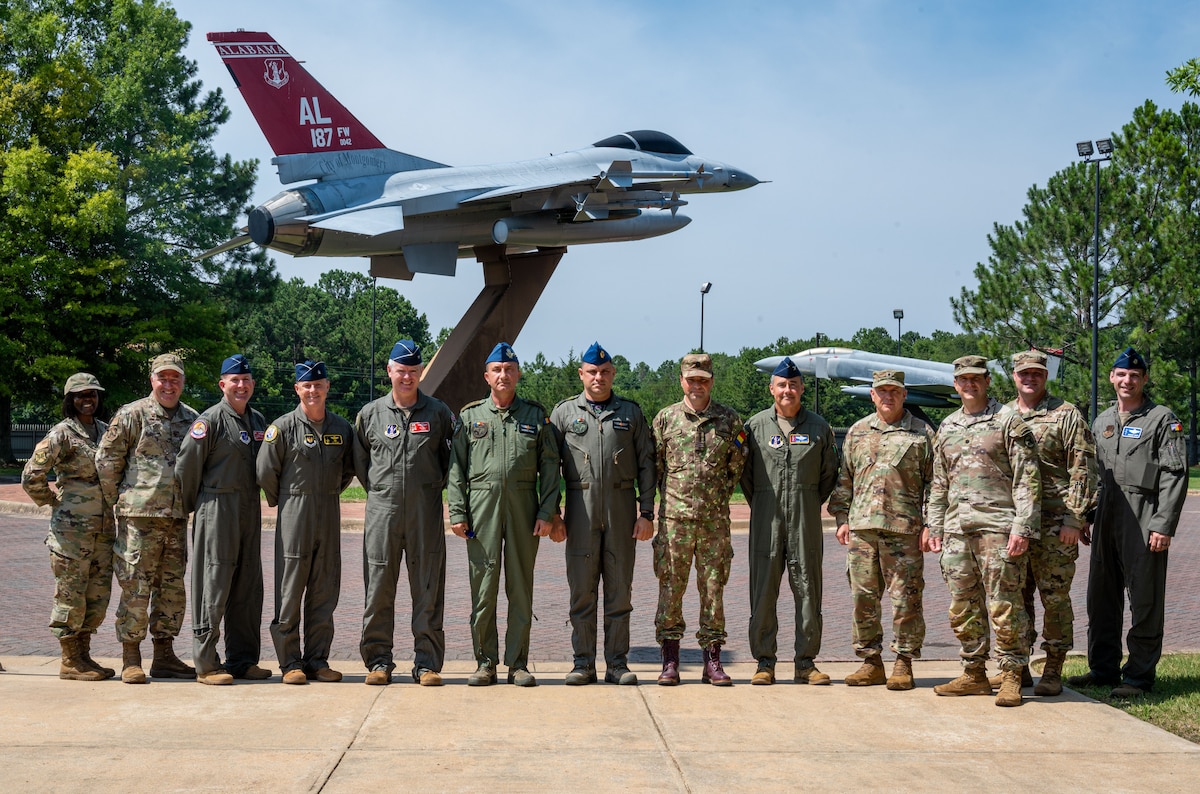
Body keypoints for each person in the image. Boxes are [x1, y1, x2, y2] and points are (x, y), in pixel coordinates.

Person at [1066, 347, 1187, 698]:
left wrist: (1163, 524)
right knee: (1101, 598)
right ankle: (1102, 669)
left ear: (1144, 379)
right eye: (1121, 374)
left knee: (1145, 599)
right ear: (1111, 378)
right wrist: (1087, 515)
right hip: (1106, 517)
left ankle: (1138, 676)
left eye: (1134, 375)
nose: (1127, 380)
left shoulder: (1163, 419)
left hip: (1144, 515)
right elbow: (1092, 475)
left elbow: (1174, 474)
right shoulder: (1102, 421)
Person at [927, 355, 1040, 707]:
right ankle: (974, 672)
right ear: (956, 384)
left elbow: (1027, 478)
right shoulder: (947, 427)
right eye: (963, 379)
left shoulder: (1009, 421)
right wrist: (934, 524)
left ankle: (1010, 674)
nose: (969, 384)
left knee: (1004, 605)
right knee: (962, 605)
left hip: (998, 528)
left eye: (976, 379)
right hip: (957, 530)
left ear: (987, 381)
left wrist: (1022, 526)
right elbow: (939, 482)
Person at [448, 342, 560, 687]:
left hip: (524, 508)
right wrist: (457, 510)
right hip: (481, 509)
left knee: (520, 588)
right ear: (487, 376)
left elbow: (550, 466)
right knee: (483, 588)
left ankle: (517, 664)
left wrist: (547, 511)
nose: (503, 375)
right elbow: (456, 468)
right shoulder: (469, 417)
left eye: (509, 369)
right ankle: (485, 662)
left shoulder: (534, 417)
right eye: (497, 370)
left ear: (518, 374)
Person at [549, 342, 656, 686]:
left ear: (613, 374)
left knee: (619, 591)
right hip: (580, 509)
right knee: (582, 590)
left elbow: (646, 464)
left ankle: (617, 664)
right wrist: (553, 513)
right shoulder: (564, 414)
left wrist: (647, 512)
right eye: (592, 372)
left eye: (605, 372)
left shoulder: (630, 413)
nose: (599, 377)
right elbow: (549, 467)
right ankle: (583, 663)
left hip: (622, 510)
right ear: (581, 374)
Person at [355, 341, 455, 686]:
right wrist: (383, 492)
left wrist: (427, 491)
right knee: (379, 588)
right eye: (402, 370)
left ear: (421, 372)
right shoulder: (371, 414)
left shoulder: (438, 413)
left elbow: (449, 462)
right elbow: (361, 460)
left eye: (414, 370)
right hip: (382, 514)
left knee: (428, 587)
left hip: (424, 513)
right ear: (390, 371)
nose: (408, 376)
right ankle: (379, 661)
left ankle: (426, 664)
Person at [96, 353, 200, 684]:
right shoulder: (132, 414)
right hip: (138, 518)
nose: (169, 384)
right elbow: (107, 460)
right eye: (163, 378)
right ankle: (131, 657)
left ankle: (165, 655)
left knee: (172, 589)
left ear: (183, 382)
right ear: (152, 380)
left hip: (175, 517)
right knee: (135, 588)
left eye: (175, 379)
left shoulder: (192, 419)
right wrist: (121, 502)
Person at [827, 369, 934, 690]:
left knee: (906, 600)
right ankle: (870, 661)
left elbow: (935, 483)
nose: (888, 396)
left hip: (905, 531)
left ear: (904, 395)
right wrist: (841, 518)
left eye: (894, 391)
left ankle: (904, 662)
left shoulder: (923, 434)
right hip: (862, 530)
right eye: (882, 391)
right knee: (863, 598)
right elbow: (844, 479)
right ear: (872, 395)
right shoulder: (858, 432)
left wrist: (930, 523)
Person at [259, 360, 359, 685]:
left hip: (329, 512)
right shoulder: (283, 428)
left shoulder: (342, 428)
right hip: (294, 514)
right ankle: (290, 663)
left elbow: (348, 469)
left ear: (327, 387)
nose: (313, 391)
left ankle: (317, 660)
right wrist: (286, 500)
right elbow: (265, 471)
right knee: (290, 589)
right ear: (297, 389)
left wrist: (329, 492)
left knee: (324, 589)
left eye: (319, 385)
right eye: (307, 386)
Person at [742, 356, 839, 686]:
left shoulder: (819, 428)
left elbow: (829, 475)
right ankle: (764, 663)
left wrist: (807, 499)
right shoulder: (754, 427)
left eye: (794, 385)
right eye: (782, 385)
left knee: (808, 589)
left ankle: (806, 662)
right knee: (763, 590)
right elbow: (744, 475)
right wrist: (764, 503)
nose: (788, 390)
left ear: (801, 389)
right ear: (772, 389)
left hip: (805, 518)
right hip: (766, 520)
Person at [1004, 349, 1097, 696]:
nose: (1030, 378)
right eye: (1024, 373)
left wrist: (1075, 518)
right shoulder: (1003, 415)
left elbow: (1083, 470)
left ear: (1046, 376)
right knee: (1016, 597)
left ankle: (1054, 666)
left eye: (1037, 374)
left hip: (1057, 526)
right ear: (1014, 376)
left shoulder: (1066, 415)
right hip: (1015, 526)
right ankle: (1019, 666)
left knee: (1054, 598)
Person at [652, 352, 746, 686]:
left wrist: (715, 499)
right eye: (691, 380)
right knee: (670, 590)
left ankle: (713, 660)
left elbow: (736, 467)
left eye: (703, 380)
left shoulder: (730, 421)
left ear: (711, 382)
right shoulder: (665, 420)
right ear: (682, 381)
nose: (697, 386)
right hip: (673, 523)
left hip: (713, 524)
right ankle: (670, 659)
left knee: (713, 591)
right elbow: (656, 469)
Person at [176, 354, 269, 685]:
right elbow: (187, 466)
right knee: (213, 583)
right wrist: (197, 506)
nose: (241, 386)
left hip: (249, 508)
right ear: (222, 385)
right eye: (235, 381)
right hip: (216, 507)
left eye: (246, 380)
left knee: (247, 586)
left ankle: (242, 660)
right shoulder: (210, 421)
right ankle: (205, 662)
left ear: (252, 385)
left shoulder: (257, 421)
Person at [22, 373, 116, 681]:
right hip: (71, 534)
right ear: (70, 399)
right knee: (71, 595)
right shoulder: (62, 433)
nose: (88, 399)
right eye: (80, 395)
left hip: (103, 530)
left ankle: (84, 656)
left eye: (93, 394)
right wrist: (52, 499)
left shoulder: (104, 431)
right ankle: (69, 660)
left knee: (97, 596)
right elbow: (31, 475)